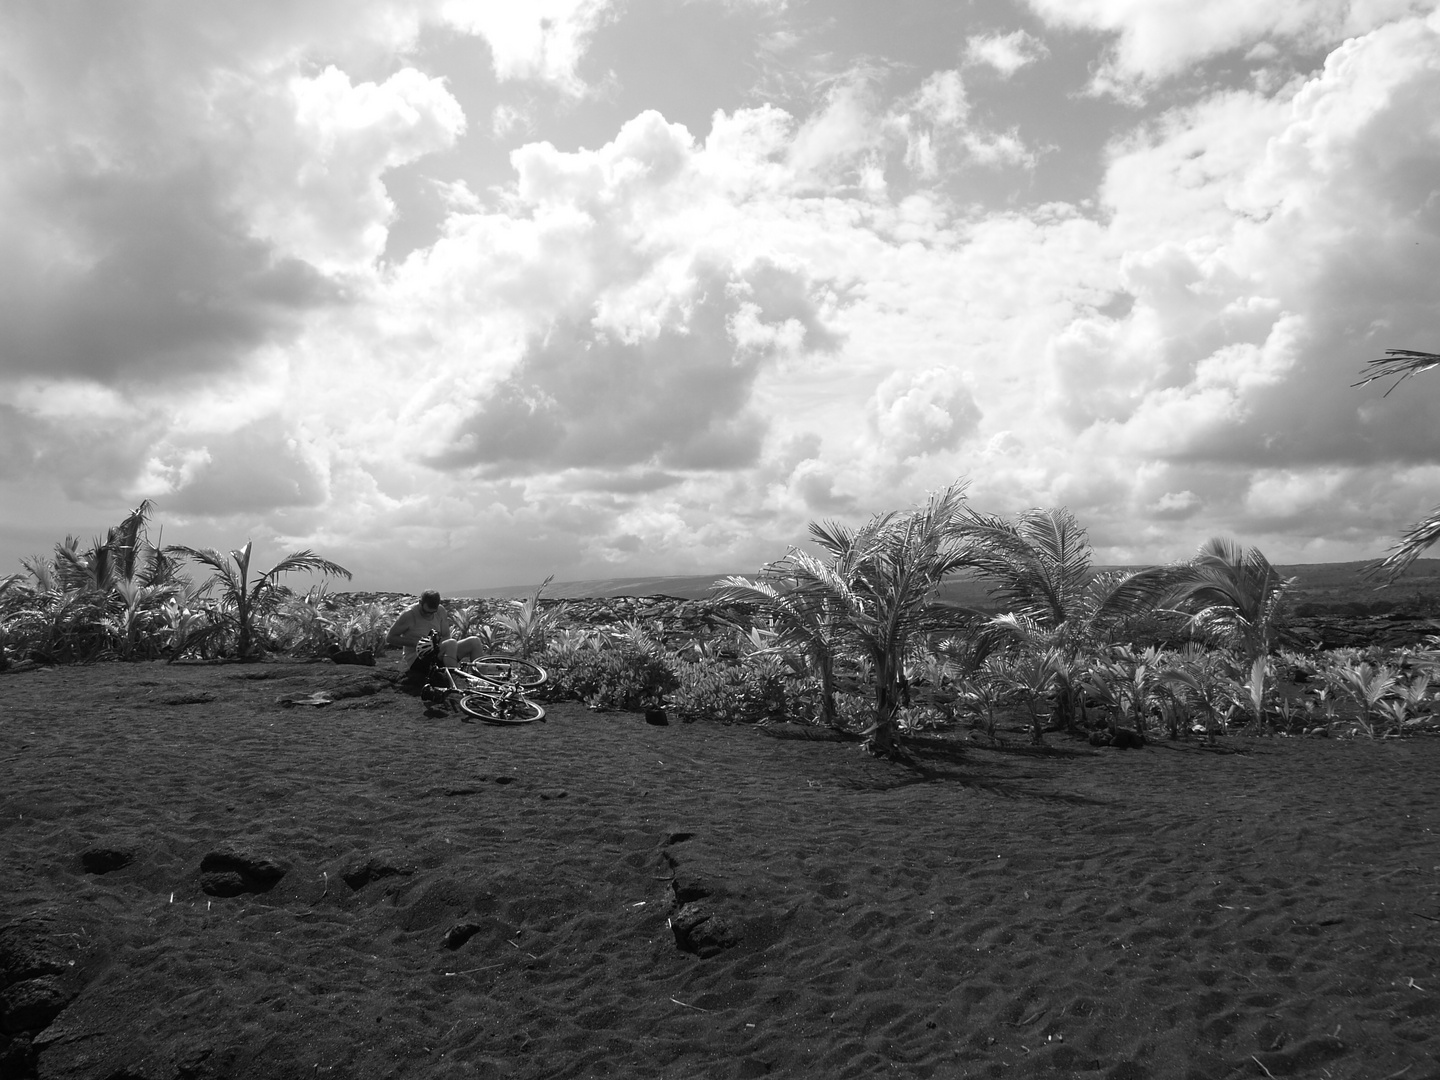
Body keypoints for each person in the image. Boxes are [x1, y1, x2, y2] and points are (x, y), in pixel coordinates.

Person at [384, 590, 485, 668]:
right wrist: (418, 643)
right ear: (420, 603)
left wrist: (438, 645)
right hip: (418, 657)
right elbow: (390, 638)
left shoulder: (440, 611)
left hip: (437, 653)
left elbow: (446, 635)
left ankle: (482, 681)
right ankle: (452, 680)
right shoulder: (409, 615)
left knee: (474, 642)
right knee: (451, 643)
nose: (429, 615)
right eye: (426, 612)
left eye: (432, 612)